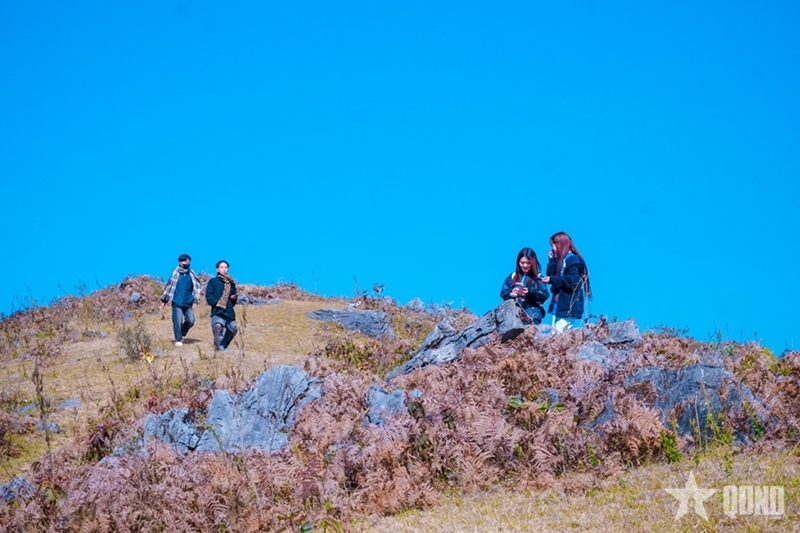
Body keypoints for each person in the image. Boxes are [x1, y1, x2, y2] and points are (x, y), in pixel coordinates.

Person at [540, 232, 591, 332]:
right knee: (554, 333)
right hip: (559, 305)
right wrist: (552, 261)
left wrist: (551, 279)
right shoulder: (561, 261)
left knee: (559, 332)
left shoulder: (572, 259)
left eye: (553, 246)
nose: (552, 249)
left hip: (568, 304)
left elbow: (572, 280)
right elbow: (552, 275)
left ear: (560, 245)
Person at [159, 254, 203, 346]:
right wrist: (164, 301)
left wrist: (195, 300)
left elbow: (197, 287)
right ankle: (178, 339)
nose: (187, 263)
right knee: (177, 321)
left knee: (191, 320)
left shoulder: (191, 274)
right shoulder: (175, 274)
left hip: (188, 301)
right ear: (180, 262)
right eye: (185, 261)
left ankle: (182, 331)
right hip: (177, 302)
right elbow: (169, 287)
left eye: (189, 262)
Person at [500, 247, 549, 325]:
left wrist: (530, 291)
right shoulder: (512, 276)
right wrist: (512, 293)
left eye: (528, 263)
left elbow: (544, 295)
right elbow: (503, 293)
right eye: (522, 263)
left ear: (533, 262)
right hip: (515, 313)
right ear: (518, 262)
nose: (525, 265)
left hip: (532, 313)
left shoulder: (538, 278)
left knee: (529, 331)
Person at [205, 260, 238, 351]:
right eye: (222, 267)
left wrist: (233, 298)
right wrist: (218, 303)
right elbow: (209, 296)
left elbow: (233, 302)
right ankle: (221, 348)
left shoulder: (231, 283)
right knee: (218, 327)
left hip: (229, 311)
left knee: (233, 329)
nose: (224, 269)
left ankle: (223, 344)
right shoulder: (213, 281)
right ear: (217, 269)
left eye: (226, 268)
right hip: (217, 311)